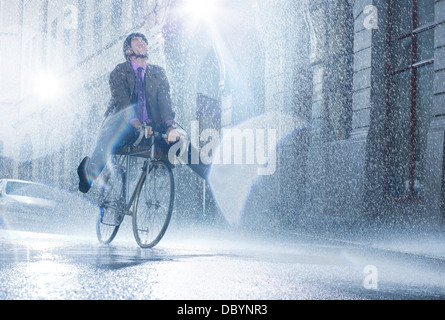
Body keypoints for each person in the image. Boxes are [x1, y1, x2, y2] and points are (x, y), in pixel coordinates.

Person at [77, 32, 180, 193]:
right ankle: (88, 171)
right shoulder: (119, 71)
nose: (142, 42)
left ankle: (211, 175)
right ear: (128, 51)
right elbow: (123, 102)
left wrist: (169, 126)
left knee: (181, 143)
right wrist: (137, 124)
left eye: (144, 40)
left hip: (151, 127)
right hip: (125, 124)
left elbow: (165, 103)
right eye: (136, 40)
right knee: (112, 138)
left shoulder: (157, 73)